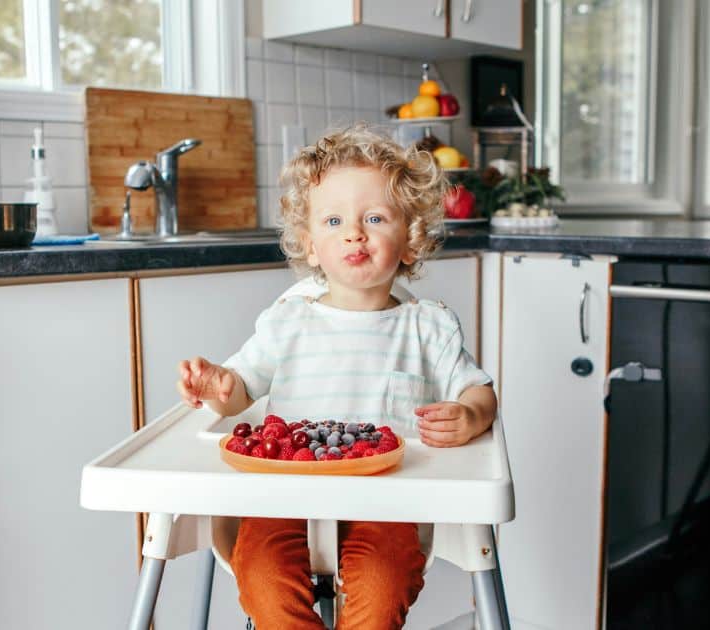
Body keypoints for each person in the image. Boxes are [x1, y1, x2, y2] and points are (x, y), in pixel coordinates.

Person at [176, 125, 498, 629]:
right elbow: (239, 387)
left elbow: (477, 389)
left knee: (382, 585)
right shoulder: (287, 321)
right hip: (280, 499)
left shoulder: (428, 326)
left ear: (410, 240)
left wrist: (472, 413)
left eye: (374, 218)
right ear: (310, 245)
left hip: (388, 504)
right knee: (262, 579)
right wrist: (219, 385)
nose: (354, 232)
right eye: (333, 220)